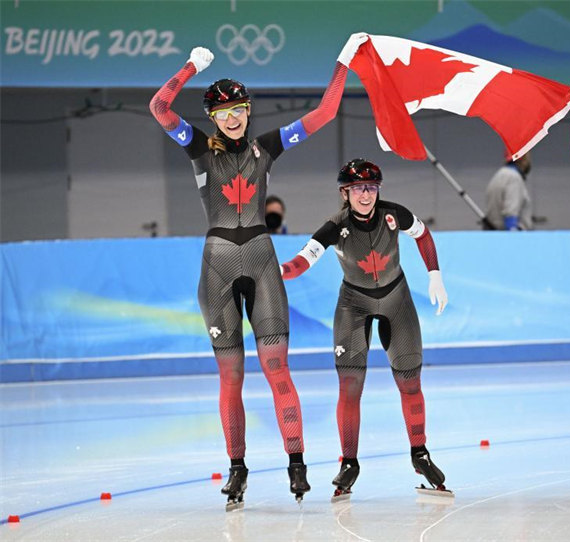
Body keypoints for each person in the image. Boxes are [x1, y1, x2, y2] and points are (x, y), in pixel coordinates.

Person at [148, 39, 361, 509]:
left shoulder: (267, 147)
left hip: (261, 261)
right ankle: (237, 468)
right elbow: (159, 107)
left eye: (239, 109)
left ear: (247, 111)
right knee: (232, 376)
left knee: (277, 367)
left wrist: (343, 62)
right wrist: (189, 67)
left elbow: (324, 114)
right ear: (212, 117)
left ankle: (297, 462)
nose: (232, 117)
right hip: (218, 266)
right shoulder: (198, 147)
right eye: (224, 111)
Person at [280, 159, 451, 501]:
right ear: (345, 193)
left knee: (410, 382)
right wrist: (278, 271)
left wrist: (435, 273)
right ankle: (350, 462)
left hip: (396, 300)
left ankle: (420, 454)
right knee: (350, 385)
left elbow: (423, 234)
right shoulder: (335, 226)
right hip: (353, 305)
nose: (365, 195)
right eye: (358, 188)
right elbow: (303, 261)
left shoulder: (393, 214)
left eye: (371, 188)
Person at [485, 151, 533, 230]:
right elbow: (510, 212)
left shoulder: (499, 175)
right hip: (513, 237)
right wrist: (513, 235)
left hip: (497, 234)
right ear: (522, 158)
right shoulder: (513, 178)